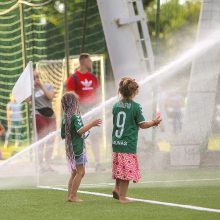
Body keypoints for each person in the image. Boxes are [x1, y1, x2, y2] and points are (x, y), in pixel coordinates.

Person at [111, 77, 162, 204]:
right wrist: (154, 122)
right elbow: (142, 124)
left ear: (120, 91)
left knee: (119, 168)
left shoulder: (116, 106)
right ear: (134, 92)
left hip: (117, 143)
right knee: (127, 172)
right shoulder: (135, 107)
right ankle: (123, 197)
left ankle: (116, 188)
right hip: (128, 144)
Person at [61, 92, 102, 202]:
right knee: (80, 172)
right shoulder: (75, 116)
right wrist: (92, 124)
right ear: (73, 103)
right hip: (78, 148)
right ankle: (73, 196)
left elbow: (63, 135)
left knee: (74, 173)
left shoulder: (65, 118)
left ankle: (69, 195)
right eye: (76, 101)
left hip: (70, 149)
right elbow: (80, 131)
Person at [66, 53, 102, 171]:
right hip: (81, 111)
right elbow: (70, 94)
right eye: (89, 61)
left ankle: (98, 163)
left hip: (93, 109)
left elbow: (98, 93)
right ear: (82, 62)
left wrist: (99, 105)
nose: (91, 62)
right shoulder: (73, 78)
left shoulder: (93, 77)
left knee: (95, 137)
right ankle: (80, 162)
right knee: (80, 137)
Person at [34, 69, 56, 172]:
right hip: (38, 114)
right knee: (41, 139)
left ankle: (47, 164)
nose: (36, 79)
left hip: (50, 115)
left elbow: (50, 97)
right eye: (34, 77)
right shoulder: (31, 89)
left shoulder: (47, 86)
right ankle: (40, 165)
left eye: (37, 76)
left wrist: (41, 85)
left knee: (51, 140)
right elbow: (27, 100)